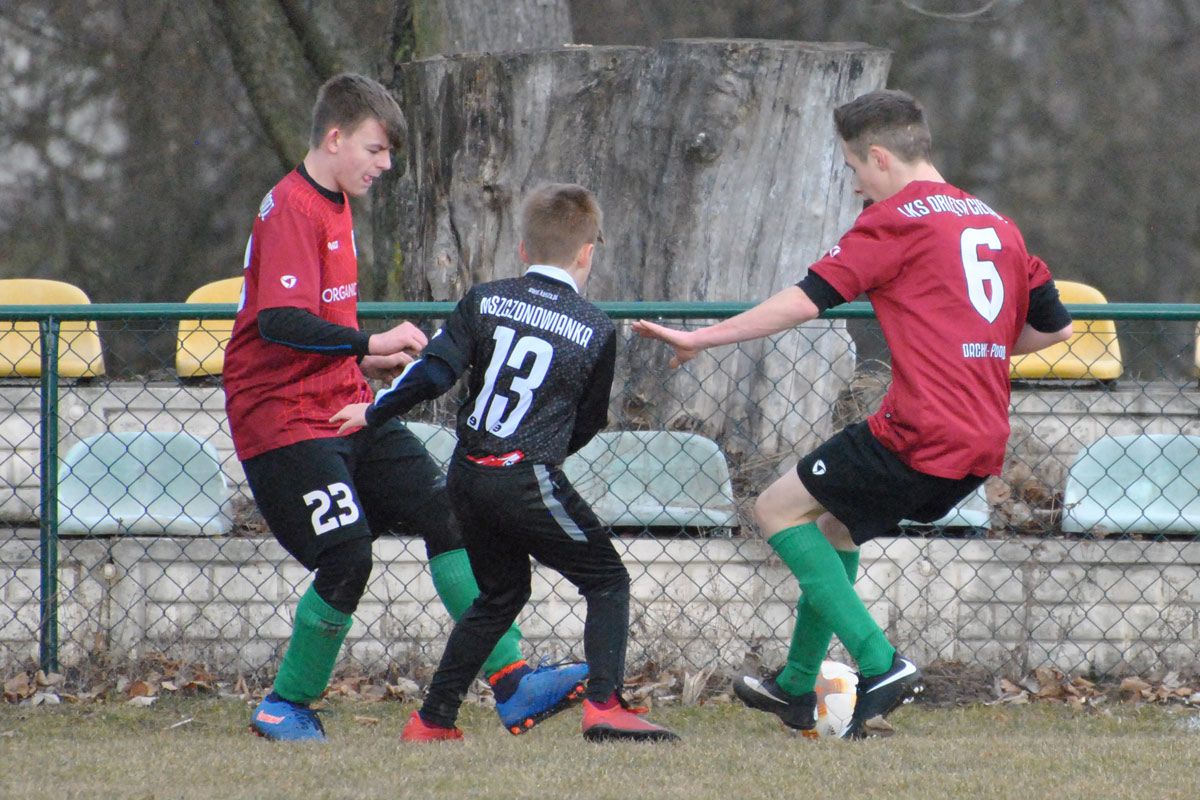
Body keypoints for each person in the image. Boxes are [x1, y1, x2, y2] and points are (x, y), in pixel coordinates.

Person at [633, 90, 1073, 739]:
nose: (855, 183)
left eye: (852, 168)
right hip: (982, 438)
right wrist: (970, 344)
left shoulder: (895, 220)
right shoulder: (998, 224)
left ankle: (880, 663)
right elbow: (1056, 329)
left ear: (880, 156)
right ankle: (794, 686)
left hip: (920, 428)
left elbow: (805, 300)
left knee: (774, 510)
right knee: (833, 528)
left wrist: (702, 338)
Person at [224, 73, 586, 742]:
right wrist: (369, 340)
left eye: (388, 152)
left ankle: (512, 682)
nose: (385, 164)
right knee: (347, 556)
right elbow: (277, 321)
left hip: (345, 403)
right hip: (282, 421)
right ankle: (284, 704)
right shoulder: (293, 208)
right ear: (335, 138)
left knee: (450, 513)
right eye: (376, 149)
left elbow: (310, 325)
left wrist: (363, 362)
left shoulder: (334, 201)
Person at [332, 183, 679, 742]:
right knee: (607, 580)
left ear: (522, 248)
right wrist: (539, 453)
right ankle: (605, 705)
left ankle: (432, 719)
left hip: (467, 474)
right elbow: (589, 420)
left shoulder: (484, 299)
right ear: (587, 252)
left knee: (501, 594)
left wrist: (374, 411)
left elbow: (434, 373)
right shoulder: (594, 327)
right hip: (525, 474)